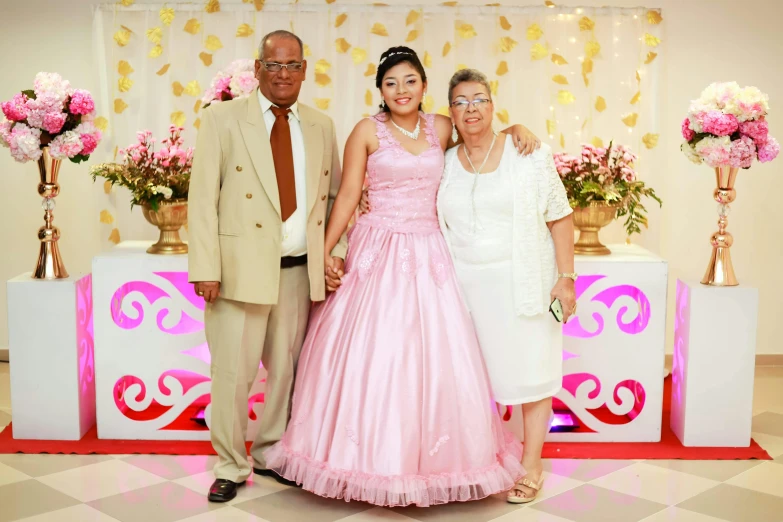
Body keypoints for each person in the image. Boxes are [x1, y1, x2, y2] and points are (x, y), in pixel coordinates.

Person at [263, 47, 540, 507]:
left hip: (430, 250)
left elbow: (480, 136)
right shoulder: (366, 132)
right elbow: (350, 192)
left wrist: (515, 130)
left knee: (436, 355)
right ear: (380, 92)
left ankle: (433, 464)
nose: (401, 90)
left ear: (425, 86)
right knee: (372, 353)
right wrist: (329, 249)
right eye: (391, 83)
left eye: (410, 81)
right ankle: (364, 460)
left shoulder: (443, 126)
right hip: (376, 249)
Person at [188, 30, 348, 503]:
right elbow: (202, 199)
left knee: (286, 373)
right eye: (273, 65)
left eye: (292, 65)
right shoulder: (222, 118)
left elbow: (338, 196)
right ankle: (229, 464)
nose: (282, 74)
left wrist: (334, 253)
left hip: (300, 272)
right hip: (238, 273)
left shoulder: (321, 124)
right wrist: (205, 267)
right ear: (257, 70)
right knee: (233, 376)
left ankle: (271, 451)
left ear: (304, 69)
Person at [437, 69, 576, 503]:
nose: (471, 108)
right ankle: (480, 465)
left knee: (532, 378)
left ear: (493, 105)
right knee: (472, 384)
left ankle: (531, 466)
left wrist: (566, 278)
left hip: (524, 287)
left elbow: (560, 215)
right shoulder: (442, 163)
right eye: (460, 102)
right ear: (451, 114)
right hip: (462, 292)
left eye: (479, 99)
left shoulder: (528, 153)